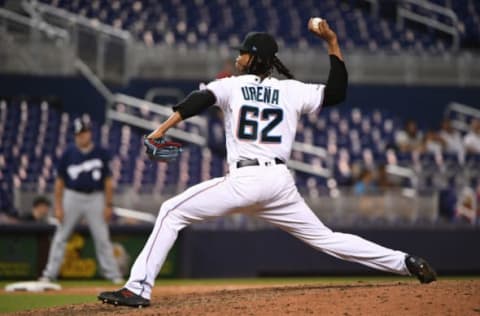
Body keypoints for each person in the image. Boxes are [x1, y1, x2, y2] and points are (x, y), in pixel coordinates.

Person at [99, 19, 436, 308]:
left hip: (245, 180)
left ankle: (137, 289)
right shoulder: (291, 90)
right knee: (327, 239)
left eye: (243, 52)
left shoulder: (231, 85)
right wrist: (332, 42)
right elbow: (336, 93)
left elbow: (198, 100)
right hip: (278, 182)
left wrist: (160, 130)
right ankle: (404, 262)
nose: (238, 56)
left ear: (254, 58)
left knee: (172, 211)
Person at [39, 117, 123, 284]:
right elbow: (59, 182)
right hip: (72, 196)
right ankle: (49, 274)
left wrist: (108, 205)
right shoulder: (68, 153)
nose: (81, 137)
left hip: (96, 197)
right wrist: (58, 206)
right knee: (61, 236)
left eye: (83, 133)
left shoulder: (101, 152)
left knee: (102, 237)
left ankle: (113, 275)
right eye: (78, 134)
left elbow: (107, 181)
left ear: (89, 133)